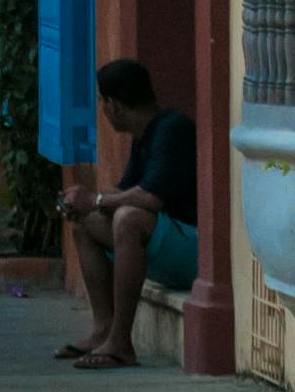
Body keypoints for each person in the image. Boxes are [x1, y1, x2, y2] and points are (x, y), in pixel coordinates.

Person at [56, 57, 199, 370]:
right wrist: (85, 203)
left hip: (194, 248)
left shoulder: (172, 129)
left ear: (113, 105)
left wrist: (94, 198)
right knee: (85, 223)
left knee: (128, 219)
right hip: (168, 244)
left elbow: (150, 198)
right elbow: (123, 192)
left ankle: (121, 341)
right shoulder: (144, 136)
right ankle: (103, 329)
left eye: (101, 102)